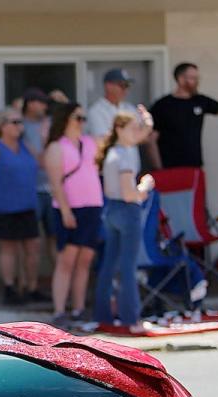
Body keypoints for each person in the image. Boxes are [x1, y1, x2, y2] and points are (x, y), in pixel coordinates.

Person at [93, 110, 156, 331]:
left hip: (110, 210)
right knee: (128, 266)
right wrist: (145, 186)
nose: (137, 133)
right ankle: (132, 319)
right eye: (132, 128)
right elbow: (131, 194)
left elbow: (144, 132)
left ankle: (103, 316)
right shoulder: (125, 155)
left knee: (110, 264)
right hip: (127, 210)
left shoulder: (112, 151)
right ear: (120, 129)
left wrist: (146, 119)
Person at [0, 109, 43, 305]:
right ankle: (10, 288)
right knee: (9, 248)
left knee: (33, 247)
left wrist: (45, 138)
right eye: (14, 122)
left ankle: (31, 287)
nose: (19, 126)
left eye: (20, 122)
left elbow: (42, 163)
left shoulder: (25, 145)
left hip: (27, 204)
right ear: (1, 125)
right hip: (2, 206)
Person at [44, 102, 104, 327]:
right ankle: (60, 310)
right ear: (66, 119)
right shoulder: (56, 147)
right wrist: (67, 211)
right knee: (66, 259)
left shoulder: (90, 143)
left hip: (93, 205)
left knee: (85, 259)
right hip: (68, 207)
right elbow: (56, 184)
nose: (82, 122)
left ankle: (79, 308)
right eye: (77, 117)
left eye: (83, 118)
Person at [147, 63, 218, 170]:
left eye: (197, 78)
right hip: (169, 166)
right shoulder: (163, 105)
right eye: (193, 78)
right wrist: (158, 168)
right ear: (181, 79)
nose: (197, 81)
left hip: (194, 165)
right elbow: (151, 139)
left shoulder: (200, 101)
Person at [21, 87, 56, 262]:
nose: (44, 106)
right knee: (30, 242)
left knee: (55, 239)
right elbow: (40, 161)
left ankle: (59, 287)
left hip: (53, 189)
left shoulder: (50, 123)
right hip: (30, 191)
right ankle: (27, 287)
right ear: (30, 104)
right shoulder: (19, 125)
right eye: (41, 102)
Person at [87, 68, 140, 140]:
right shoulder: (96, 111)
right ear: (108, 86)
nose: (125, 89)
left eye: (127, 85)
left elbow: (144, 135)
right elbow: (103, 139)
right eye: (122, 85)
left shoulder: (130, 108)